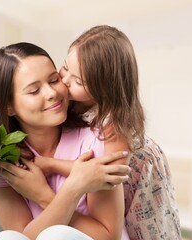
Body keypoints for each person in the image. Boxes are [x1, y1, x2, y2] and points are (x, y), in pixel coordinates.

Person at [35, 25, 181, 239]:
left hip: (140, 185)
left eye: (77, 81)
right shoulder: (75, 103)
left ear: (104, 88)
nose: (64, 82)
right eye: (65, 68)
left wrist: (50, 165)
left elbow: (104, 174)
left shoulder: (115, 123)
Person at [0, 42, 131, 240]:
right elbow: (23, 237)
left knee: (56, 235)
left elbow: (108, 237)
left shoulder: (97, 141)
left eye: (53, 80)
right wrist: (73, 188)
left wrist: (44, 195)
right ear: (8, 106)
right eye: (34, 91)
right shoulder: (2, 162)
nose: (52, 93)